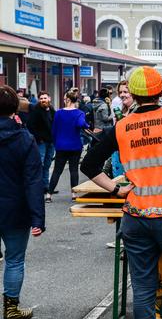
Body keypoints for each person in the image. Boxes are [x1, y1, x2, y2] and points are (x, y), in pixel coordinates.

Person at [80, 66, 162, 318]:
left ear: (131, 93)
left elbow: (88, 165)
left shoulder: (122, 127)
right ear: (161, 92)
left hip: (135, 217)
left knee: (143, 290)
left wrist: (116, 190)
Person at [0, 85, 45, 319]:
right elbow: (33, 181)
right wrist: (38, 217)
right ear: (15, 108)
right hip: (15, 209)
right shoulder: (25, 139)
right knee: (14, 260)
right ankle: (11, 308)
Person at [46, 92, 89, 203]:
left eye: (65, 98)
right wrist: (86, 125)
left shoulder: (58, 113)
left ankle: (49, 194)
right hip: (75, 146)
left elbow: (54, 130)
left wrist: (56, 143)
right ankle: (74, 194)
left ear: (68, 100)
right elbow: (81, 124)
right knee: (73, 170)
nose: (64, 100)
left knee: (57, 171)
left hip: (61, 146)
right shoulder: (79, 113)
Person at [27, 91, 56, 194]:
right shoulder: (35, 110)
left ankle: (45, 186)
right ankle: (37, 186)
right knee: (40, 163)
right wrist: (39, 138)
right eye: (41, 98)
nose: (43, 100)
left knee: (47, 164)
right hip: (41, 142)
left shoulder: (52, 109)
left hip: (51, 141)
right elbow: (30, 126)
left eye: (45, 98)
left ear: (49, 98)